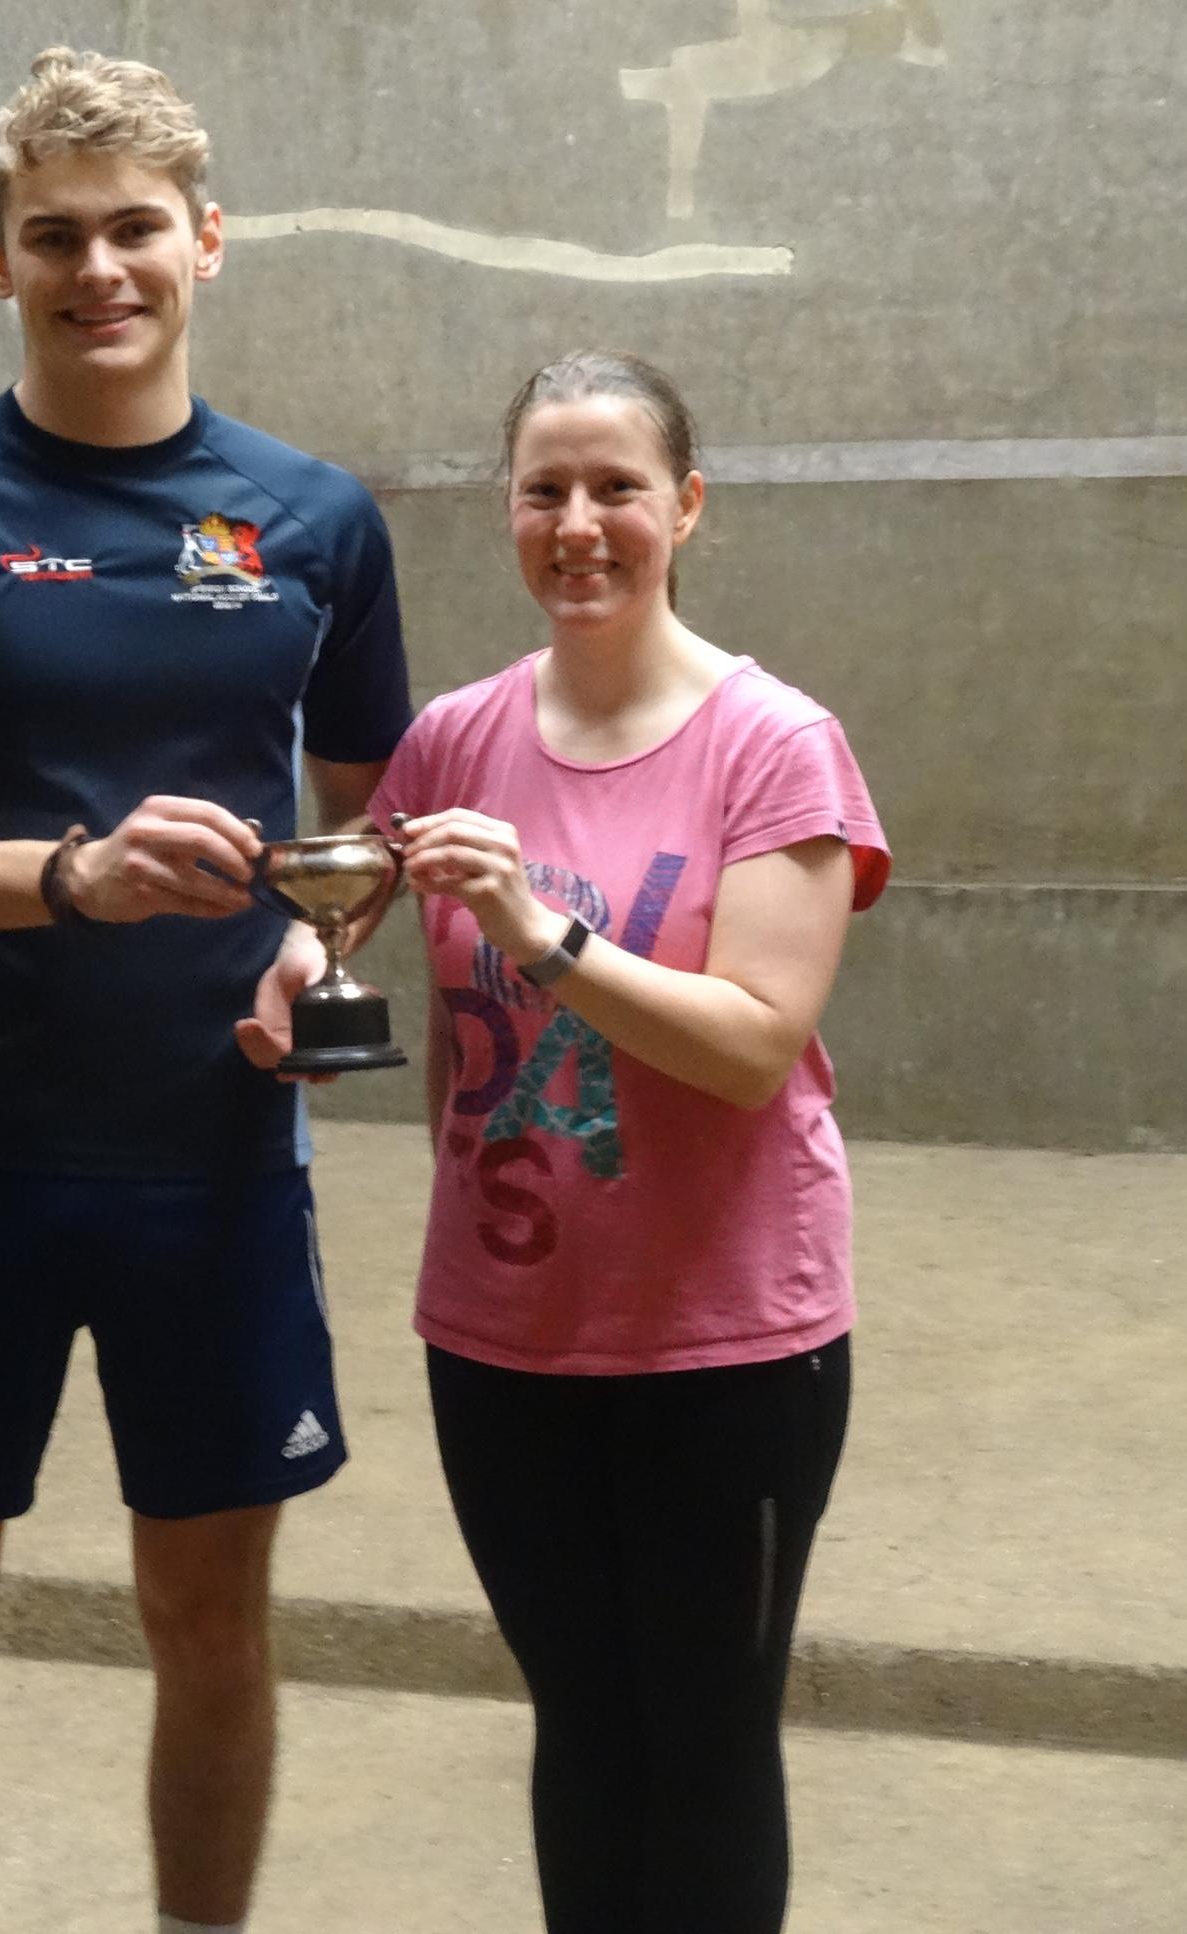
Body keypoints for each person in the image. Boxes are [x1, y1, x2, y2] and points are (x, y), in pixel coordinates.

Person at [0, 48, 411, 1934]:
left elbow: (367, 830)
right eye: (55, 235)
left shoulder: (314, 519)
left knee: (208, 1634)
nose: (97, 267)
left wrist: (312, 949)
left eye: (136, 228)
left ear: (210, 242)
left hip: (216, 1162)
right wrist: (67, 877)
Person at [368, 350, 889, 1934]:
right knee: (581, 1722)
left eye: (618, 488)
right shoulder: (453, 737)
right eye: (545, 488)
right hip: (506, 1330)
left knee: (707, 1742)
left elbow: (751, 1043)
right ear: (506, 511)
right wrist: (275, 985)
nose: (579, 522)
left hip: (726, 1344)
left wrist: (539, 928)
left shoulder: (774, 743)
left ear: (688, 508)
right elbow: (346, 917)